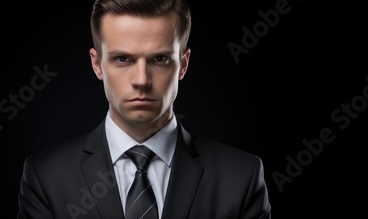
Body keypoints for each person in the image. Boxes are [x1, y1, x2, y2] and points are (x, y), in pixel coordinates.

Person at [17, 0, 272, 218]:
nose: (141, 79)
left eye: (159, 59)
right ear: (97, 64)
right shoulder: (46, 178)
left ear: (183, 64)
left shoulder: (241, 178)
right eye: (122, 59)